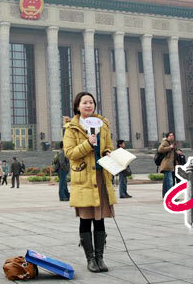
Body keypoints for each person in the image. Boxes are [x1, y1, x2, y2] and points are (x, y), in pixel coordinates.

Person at [63, 92, 116, 273]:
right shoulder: (72, 128)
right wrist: (88, 143)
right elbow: (70, 153)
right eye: (84, 102)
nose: (88, 105)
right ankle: (90, 259)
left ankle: (100, 257)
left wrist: (108, 151)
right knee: (86, 220)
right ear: (77, 106)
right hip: (84, 179)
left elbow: (108, 145)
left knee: (100, 220)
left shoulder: (103, 125)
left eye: (91, 102)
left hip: (100, 178)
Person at [158, 132, 181, 198]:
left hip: (171, 165)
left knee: (166, 182)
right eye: (170, 135)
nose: (172, 136)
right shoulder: (165, 142)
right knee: (170, 181)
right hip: (167, 165)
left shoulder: (172, 143)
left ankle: (165, 195)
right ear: (167, 137)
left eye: (173, 135)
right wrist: (170, 147)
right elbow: (160, 149)